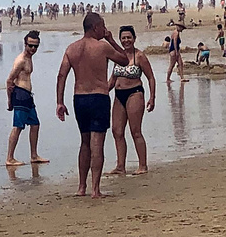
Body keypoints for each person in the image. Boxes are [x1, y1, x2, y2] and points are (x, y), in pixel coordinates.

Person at [54, 11, 128, 198]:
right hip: (98, 97)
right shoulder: (102, 47)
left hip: (79, 98)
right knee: (97, 143)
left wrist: (59, 102)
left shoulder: (72, 48)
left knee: (84, 142)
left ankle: (81, 187)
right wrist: (111, 39)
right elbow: (124, 60)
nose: (105, 29)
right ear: (95, 27)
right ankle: (95, 189)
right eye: (103, 26)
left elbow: (62, 75)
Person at [107, 25, 156, 176]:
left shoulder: (139, 56)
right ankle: (120, 166)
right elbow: (113, 79)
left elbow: (151, 77)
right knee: (117, 131)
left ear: (134, 39)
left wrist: (152, 97)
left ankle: (143, 165)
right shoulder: (118, 56)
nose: (126, 40)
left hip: (134, 93)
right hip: (118, 94)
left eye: (129, 37)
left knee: (135, 131)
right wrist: (101, 92)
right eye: (123, 38)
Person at [5, 31, 48, 166]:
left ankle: (34, 155)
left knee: (35, 124)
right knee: (18, 127)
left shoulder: (30, 58)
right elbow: (9, 81)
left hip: (28, 96)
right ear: (25, 44)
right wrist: (10, 101)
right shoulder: (21, 60)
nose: (33, 49)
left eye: (36, 46)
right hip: (20, 95)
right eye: (30, 46)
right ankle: (10, 158)